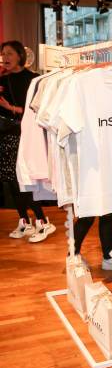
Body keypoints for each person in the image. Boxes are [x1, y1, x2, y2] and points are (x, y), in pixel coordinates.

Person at [0, 40, 56, 242]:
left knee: (25, 181)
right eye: (3, 54)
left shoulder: (34, 80)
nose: (5, 58)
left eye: (9, 54)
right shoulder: (2, 80)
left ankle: (42, 220)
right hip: (6, 136)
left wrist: (10, 107)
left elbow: (37, 112)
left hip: (25, 137)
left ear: (20, 56)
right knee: (12, 184)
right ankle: (24, 220)